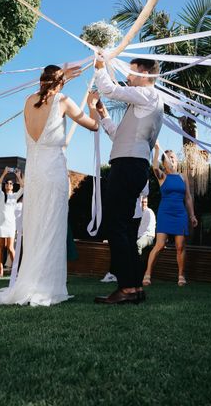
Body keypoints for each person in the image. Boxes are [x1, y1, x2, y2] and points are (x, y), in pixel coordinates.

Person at [0, 64, 99, 306]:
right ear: (61, 82)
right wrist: (93, 105)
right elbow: (94, 125)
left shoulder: (27, 101)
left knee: (34, 228)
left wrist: (62, 74)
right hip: (52, 170)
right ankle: (47, 287)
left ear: (41, 80)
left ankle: (30, 282)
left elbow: (48, 90)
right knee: (51, 226)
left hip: (33, 172)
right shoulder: (63, 100)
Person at [92, 57, 163, 304]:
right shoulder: (144, 103)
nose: (128, 77)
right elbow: (119, 137)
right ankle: (133, 288)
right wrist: (102, 114)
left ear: (144, 73)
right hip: (131, 163)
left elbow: (110, 89)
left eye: (131, 72)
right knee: (123, 226)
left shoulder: (148, 94)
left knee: (115, 224)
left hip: (128, 166)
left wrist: (100, 68)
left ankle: (126, 287)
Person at [143, 143, 197, 287]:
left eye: (173, 157)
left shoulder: (183, 176)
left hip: (180, 213)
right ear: (164, 163)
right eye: (168, 158)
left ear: (177, 160)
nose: (171, 160)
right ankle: (147, 273)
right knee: (160, 245)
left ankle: (181, 275)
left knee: (180, 246)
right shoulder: (162, 176)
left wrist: (192, 215)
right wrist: (156, 150)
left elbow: (188, 197)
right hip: (165, 213)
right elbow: (154, 167)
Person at [0, 167, 24, 276]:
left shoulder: (15, 196)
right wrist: (4, 173)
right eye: (7, 183)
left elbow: (23, 187)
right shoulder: (1, 194)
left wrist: (18, 176)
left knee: (11, 248)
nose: (8, 185)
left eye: (11, 184)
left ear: (12, 186)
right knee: (1, 248)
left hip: (11, 225)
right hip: (0, 224)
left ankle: (16, 271)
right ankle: (0, 270)